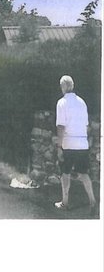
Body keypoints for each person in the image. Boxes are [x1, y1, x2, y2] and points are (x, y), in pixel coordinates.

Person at [54, 75, 97, 213]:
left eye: (61, 86)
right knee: (84, 173)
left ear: (64, 86)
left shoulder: (62, 103)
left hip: (68, 144)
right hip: (82, 144)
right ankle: (92, 201)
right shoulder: (82, 102)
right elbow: (86, 125)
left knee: (65, 173)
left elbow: (61, 126)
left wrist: (59, 147)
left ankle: (65, 202)